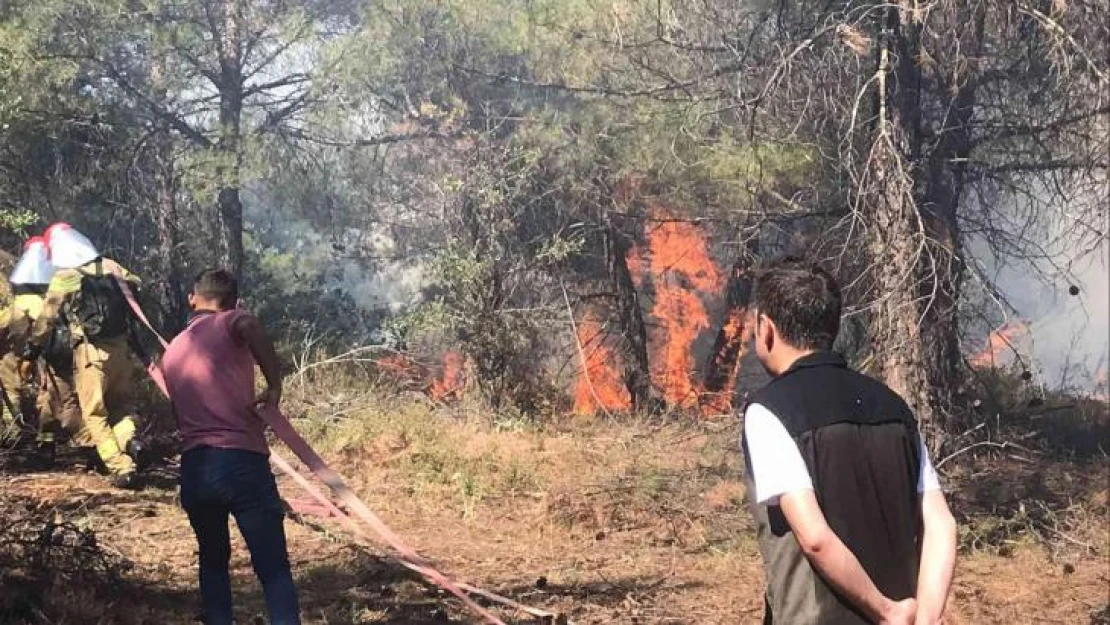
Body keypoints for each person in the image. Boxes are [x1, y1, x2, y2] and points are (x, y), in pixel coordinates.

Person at [741, 258, 958, 625]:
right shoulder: (893, 406)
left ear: (766, 328)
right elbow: (941, 524)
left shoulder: (768, 411)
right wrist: (922, 618)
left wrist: (886, 611)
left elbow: (814, 538)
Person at [161, 269, 300, 625]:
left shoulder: (174, 348)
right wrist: (274, 385)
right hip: (240, 461)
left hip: (194, 468)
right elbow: (250, 326)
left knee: (212, 562)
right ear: (232, 303)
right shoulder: (231, 321)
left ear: (193, 299)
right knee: (272, 567)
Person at [28, 223, 145, 488]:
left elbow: (47, 317)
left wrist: (33, 346)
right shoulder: (111, 265)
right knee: (122, 407)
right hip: (122, 350)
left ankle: (121, 467)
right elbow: (136, 286)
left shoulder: (66, 276)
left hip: (92, 353)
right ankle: (131, 441)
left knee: (95, 413)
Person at [0, 236, 79, 453]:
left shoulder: (22, 273)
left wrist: (30, 349)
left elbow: (20, 311)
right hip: (43, 340)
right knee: (48, 391)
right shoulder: (23, 268)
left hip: (40, 340)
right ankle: (43, 440)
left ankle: (20, 435)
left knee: (52, 392)